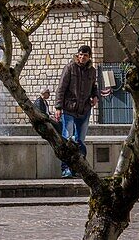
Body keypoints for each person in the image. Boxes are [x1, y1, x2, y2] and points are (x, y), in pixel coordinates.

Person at [55, 45, 99, 178]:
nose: (82, 57)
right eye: (80, 54)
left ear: (89, 56)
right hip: (69, 108)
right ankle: (66, 168)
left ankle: (77, 168)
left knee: (80, 141)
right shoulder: (70, 68)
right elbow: (61, 88)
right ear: (77, 55)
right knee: (68, 139)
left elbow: (93, 87)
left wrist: (95, 96)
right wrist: (58, 107)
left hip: (84, 110)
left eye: (85, 55)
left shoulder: (92, 71)